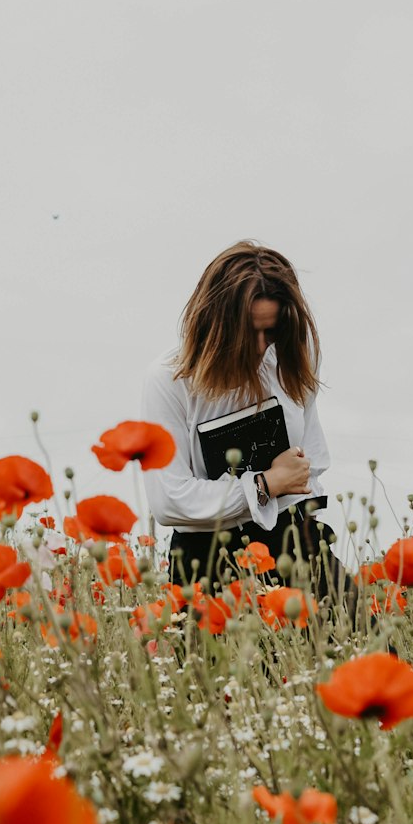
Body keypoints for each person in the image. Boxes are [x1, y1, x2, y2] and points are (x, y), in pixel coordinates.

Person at [140, 240, 345, 603]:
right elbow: (169, 499)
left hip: (293, 538)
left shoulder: (291, 358)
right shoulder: (169, 380)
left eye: (273, 330)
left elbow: (312, 459)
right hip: (206, 560)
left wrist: (292, 486)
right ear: (215, 325)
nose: (261, 345)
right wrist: (266, 484)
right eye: (250, 332)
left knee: (369, 648)